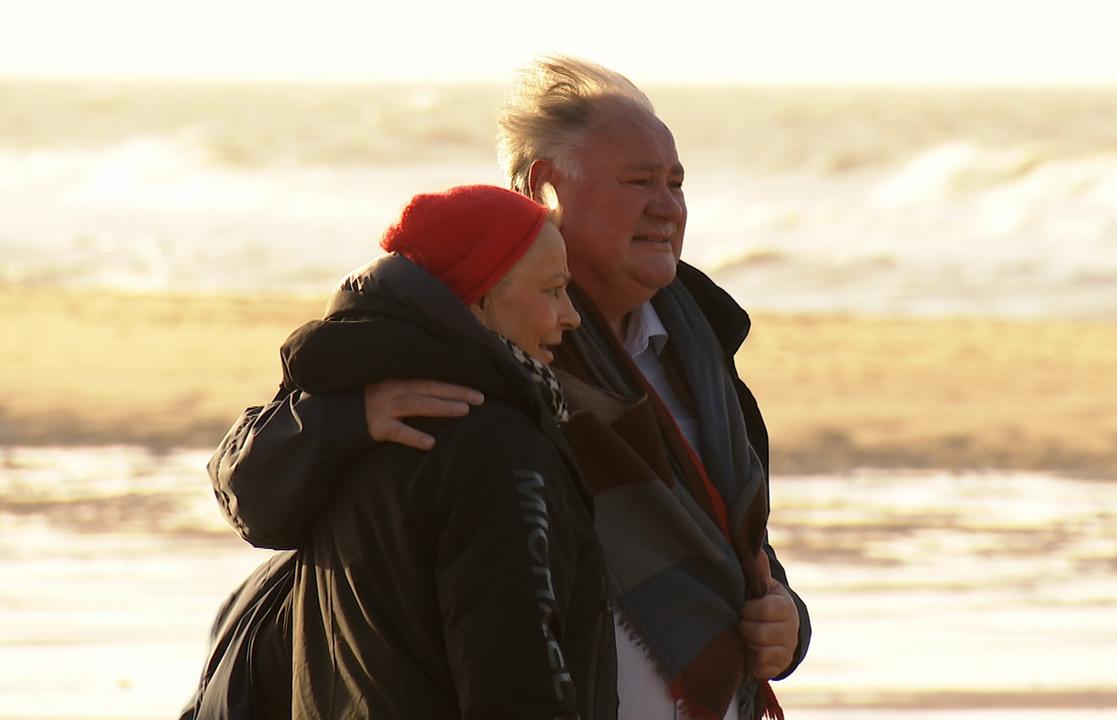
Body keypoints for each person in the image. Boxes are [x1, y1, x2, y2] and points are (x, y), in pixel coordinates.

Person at [209, 57, 810, 719]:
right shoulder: (458, 334)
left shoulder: (700, 348)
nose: (668, 207)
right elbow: (252, 486)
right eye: (639, 182)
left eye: (676, 183)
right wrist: (346, 420)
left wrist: (785, 617)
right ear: (545, 187)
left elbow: (724, 538)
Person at [186, 185, 613, 718]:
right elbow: (516, 678)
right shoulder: (491, 443)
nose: (571, 316)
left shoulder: (346, 409)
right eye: (552, 291)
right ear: (478, 301)